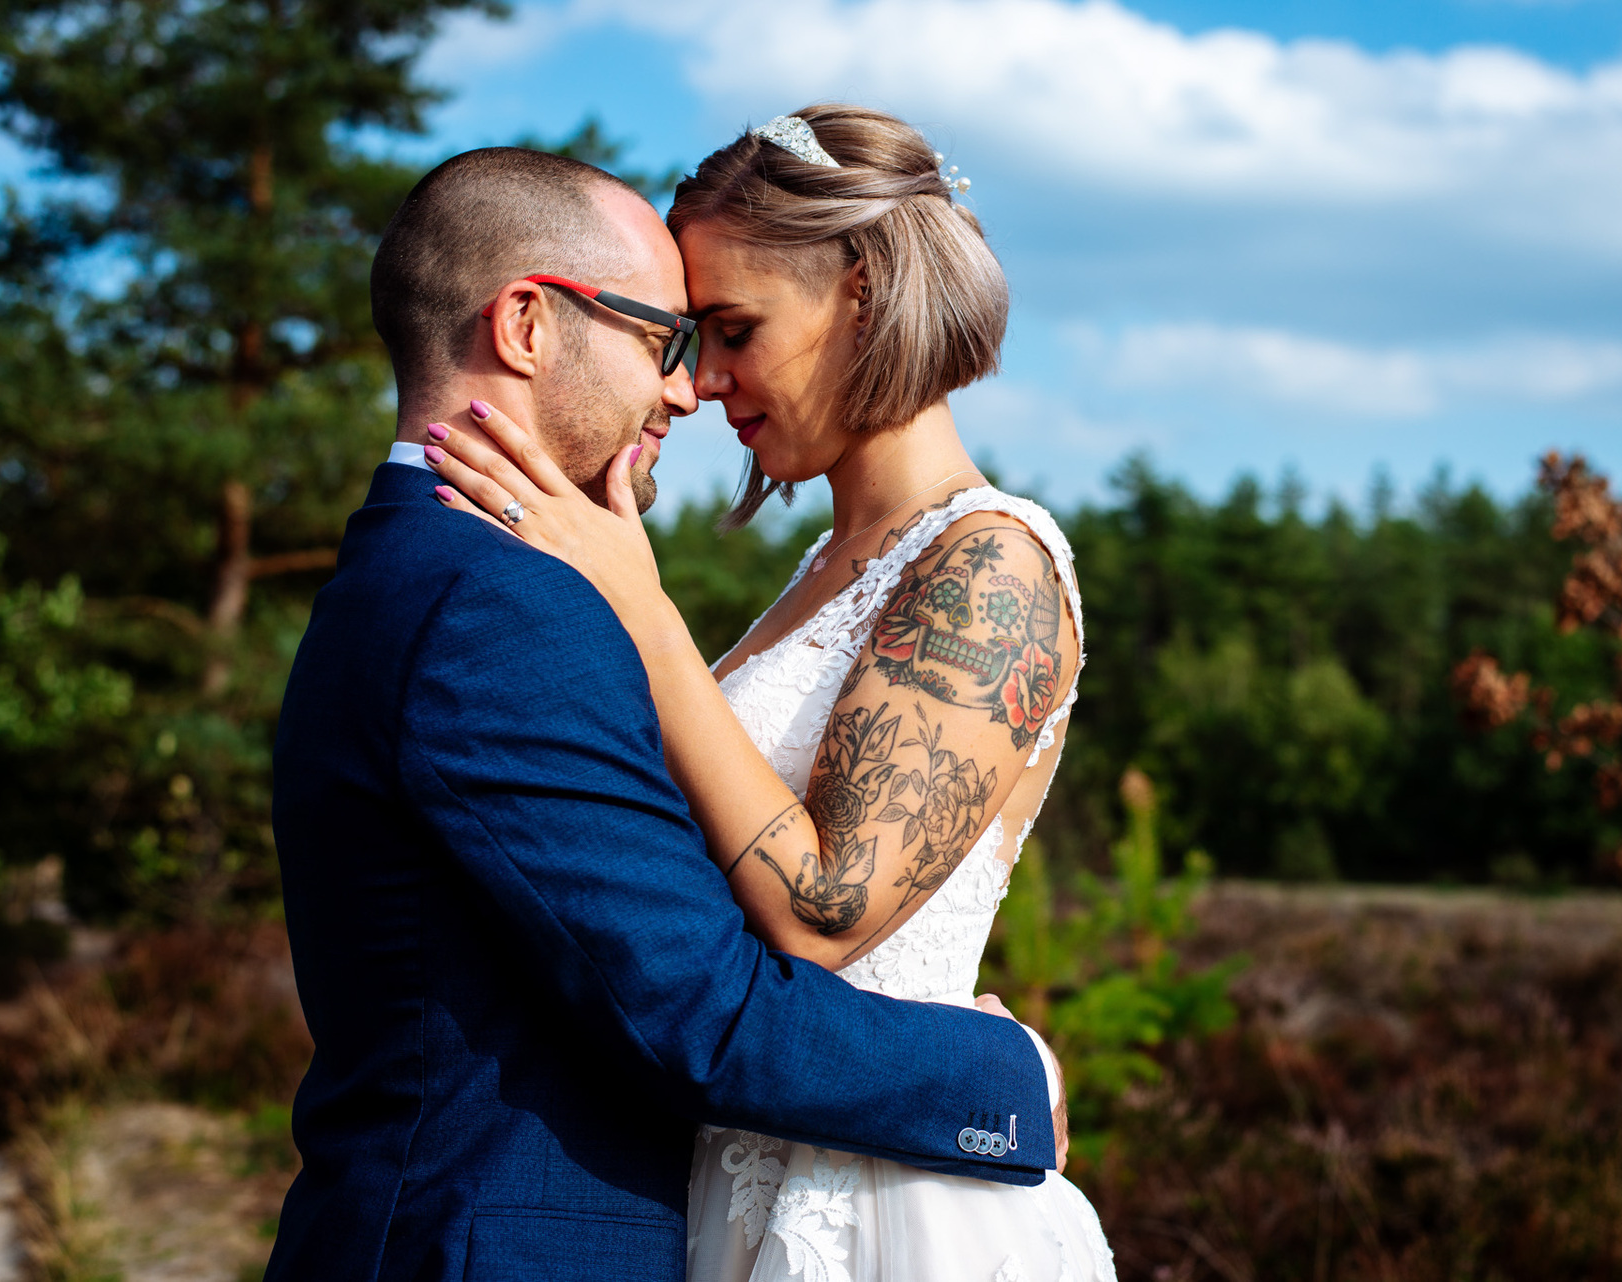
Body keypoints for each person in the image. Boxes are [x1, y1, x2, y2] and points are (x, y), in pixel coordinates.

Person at [266, 142, 1064, 1282]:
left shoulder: (445, 571)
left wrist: (639, 604)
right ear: (529, 325)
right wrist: (1008, 1076)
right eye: (669, 337)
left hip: (861, 1206)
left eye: (725, 333)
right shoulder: (495, 604)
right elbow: (698, 1003)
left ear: (861, 297)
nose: (690, 386)